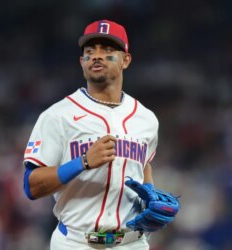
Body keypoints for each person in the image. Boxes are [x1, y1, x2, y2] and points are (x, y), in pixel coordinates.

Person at [23, 20, 179, 249]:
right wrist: (83, 162)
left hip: (132, 243)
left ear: (126, 60)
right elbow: (31, 186)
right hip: (76, 242)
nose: (97, 56)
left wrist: (150, 195)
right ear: (82, 62)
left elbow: (144, 165)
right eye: (89, 52)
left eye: (107, 51)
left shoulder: (146, 119)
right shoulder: (57, 116)